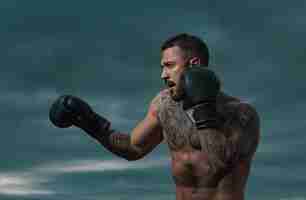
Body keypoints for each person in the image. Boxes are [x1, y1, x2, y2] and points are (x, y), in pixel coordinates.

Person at [49, 33, 260, 200]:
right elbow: (133, 148)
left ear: (194, 65)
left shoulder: (241, 113)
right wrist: (89, 122)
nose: (163, 75)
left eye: (169, 66)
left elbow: (219, 164)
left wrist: (202, 105)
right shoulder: (164, 105)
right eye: (162, 67)